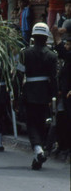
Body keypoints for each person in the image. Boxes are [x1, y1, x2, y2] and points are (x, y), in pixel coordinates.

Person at [18, 22, 57, 170]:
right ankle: (38, 155)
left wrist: (16, 94)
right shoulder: (52, 56)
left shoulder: (24, 53)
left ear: (33, 37)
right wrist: (54, 96)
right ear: (46, 38)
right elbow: (54, 79)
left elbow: (19, 74)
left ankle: (38, 150)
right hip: (45, 94)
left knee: (31, 124)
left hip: (29, 92)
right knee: (41, 124)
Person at [51, 25, 71, 159]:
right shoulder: (66, 61)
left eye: (69, 44)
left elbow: (62, 52)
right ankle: (62, 146)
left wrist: (57, 37)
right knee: (61, 120)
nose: (66, 46)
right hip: (63, 94)